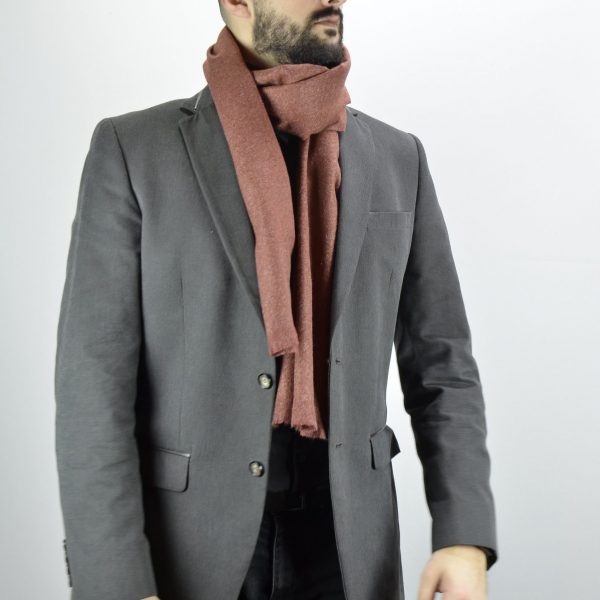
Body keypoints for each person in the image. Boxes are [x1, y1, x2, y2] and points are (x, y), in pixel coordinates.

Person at [54, 1, 498, 599]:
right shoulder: (135, 149)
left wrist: (463, 535)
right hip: (189, 549)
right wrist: (117, 584)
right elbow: (93, 383)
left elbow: (442, 363)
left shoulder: (398, 158)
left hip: (348, 548)